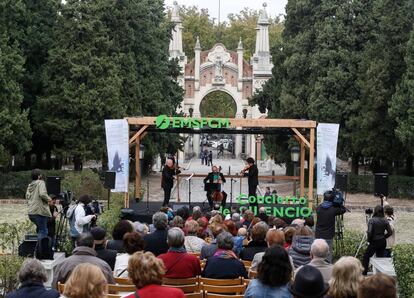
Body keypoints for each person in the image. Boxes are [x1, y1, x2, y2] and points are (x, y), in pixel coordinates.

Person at [315, 190, 346, 262]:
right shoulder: (333, 209)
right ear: (332, 199)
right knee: (328, 255)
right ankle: (328, 269)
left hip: (318, 234)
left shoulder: (318, 208)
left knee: (317, 254)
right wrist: (338, 203)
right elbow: (343, 210)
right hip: (328, 235)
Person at [362, 205, 393, 275]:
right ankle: (380, 275)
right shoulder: (385, 220)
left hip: (374, 241)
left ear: (375, 211)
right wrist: (384, 237)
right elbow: (390, 232)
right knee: (380, 259)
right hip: (382, 242)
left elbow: (369, 232)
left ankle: (364, 273)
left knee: (366, 257)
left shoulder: (372, 220)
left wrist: (369, 240)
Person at [26, 169, 52, 242]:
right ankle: (41, 251)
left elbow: (27, 197)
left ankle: (37, 249)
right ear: (39, 176)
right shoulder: (41, 182)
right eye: (41, 175)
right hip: (39, 212)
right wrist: (50, 200)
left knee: (40, 229)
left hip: (31, 212)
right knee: (43, 231)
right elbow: (42, 194)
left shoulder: (30, 185)